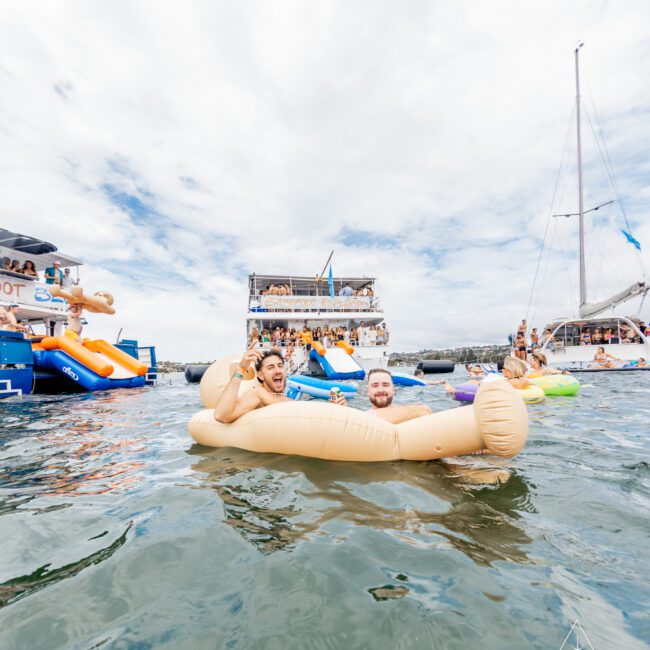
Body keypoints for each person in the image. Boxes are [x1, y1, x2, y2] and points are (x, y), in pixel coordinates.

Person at [364, 369, 432, 423]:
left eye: (385, 385)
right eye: (375, 386)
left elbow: (426, 411)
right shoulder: (362, 419)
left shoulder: (416, 413)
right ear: (368, 391)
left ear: (393, 390)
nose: (380, 390)